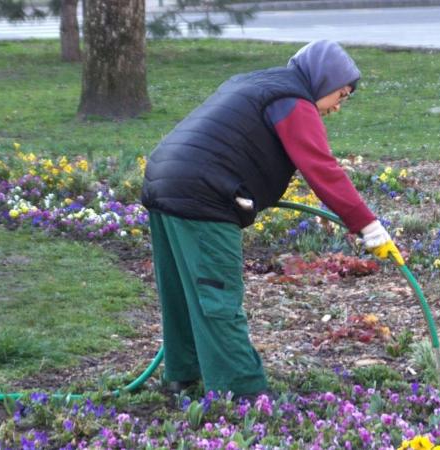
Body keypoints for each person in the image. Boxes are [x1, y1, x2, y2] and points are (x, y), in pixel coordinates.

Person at [141, 40, 404, 398]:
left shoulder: (256, 83)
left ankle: (183, 376)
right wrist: (368, 225)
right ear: (323, 80)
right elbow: (321, 167)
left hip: (164, 180)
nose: (338, 107)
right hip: (204, 194)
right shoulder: (293, 100)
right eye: (340, 95)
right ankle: (242, 393)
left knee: (183, 291)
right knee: (217, 295)